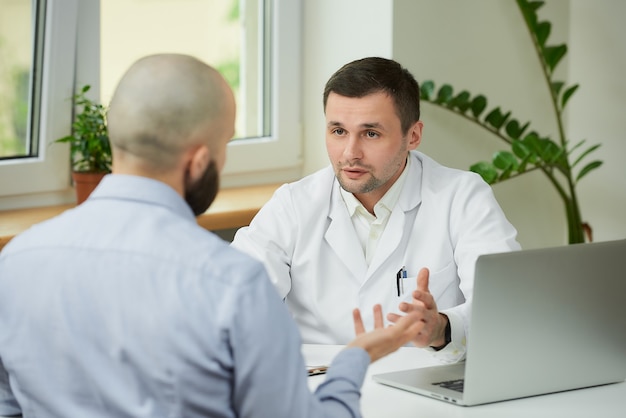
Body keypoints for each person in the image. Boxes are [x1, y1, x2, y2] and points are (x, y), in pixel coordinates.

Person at [0, 54, 425, 418]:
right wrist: (353, 360)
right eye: (224, 146)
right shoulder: (231, 283)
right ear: (201, 159)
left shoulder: (16, 262)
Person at [231, 56, 521, 363]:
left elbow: (507, 306)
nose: (350, 153)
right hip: (320, 385)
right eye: (338, 131)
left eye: (371, 134)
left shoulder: (462, 197)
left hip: (422, 386)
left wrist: (441, 328)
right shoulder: (293, 205)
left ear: (413, 136)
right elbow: (233, 297)